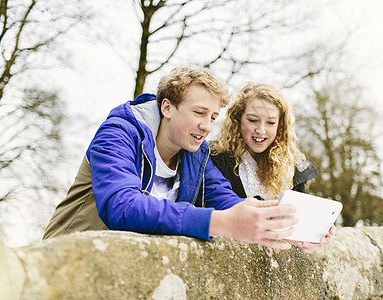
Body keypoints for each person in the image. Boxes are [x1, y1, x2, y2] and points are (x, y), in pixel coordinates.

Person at [42, 66, 302, 250]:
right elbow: (122, 206)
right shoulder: (118, 134)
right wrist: (217, 222)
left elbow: (229, 203)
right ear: (167, 107)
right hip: (67, 264)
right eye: (199, 113)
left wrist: (291, 229)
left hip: (130, 273)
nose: (206, 126)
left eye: (212, 117)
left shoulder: (195, 154)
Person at [210, 83, 336, 252]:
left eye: (270, 122)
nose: (260, 130)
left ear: (280, 126)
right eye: (253, 120)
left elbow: (295, 224)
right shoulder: (214, 157)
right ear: (238, 119)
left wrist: (313, 233)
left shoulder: (294, 167)